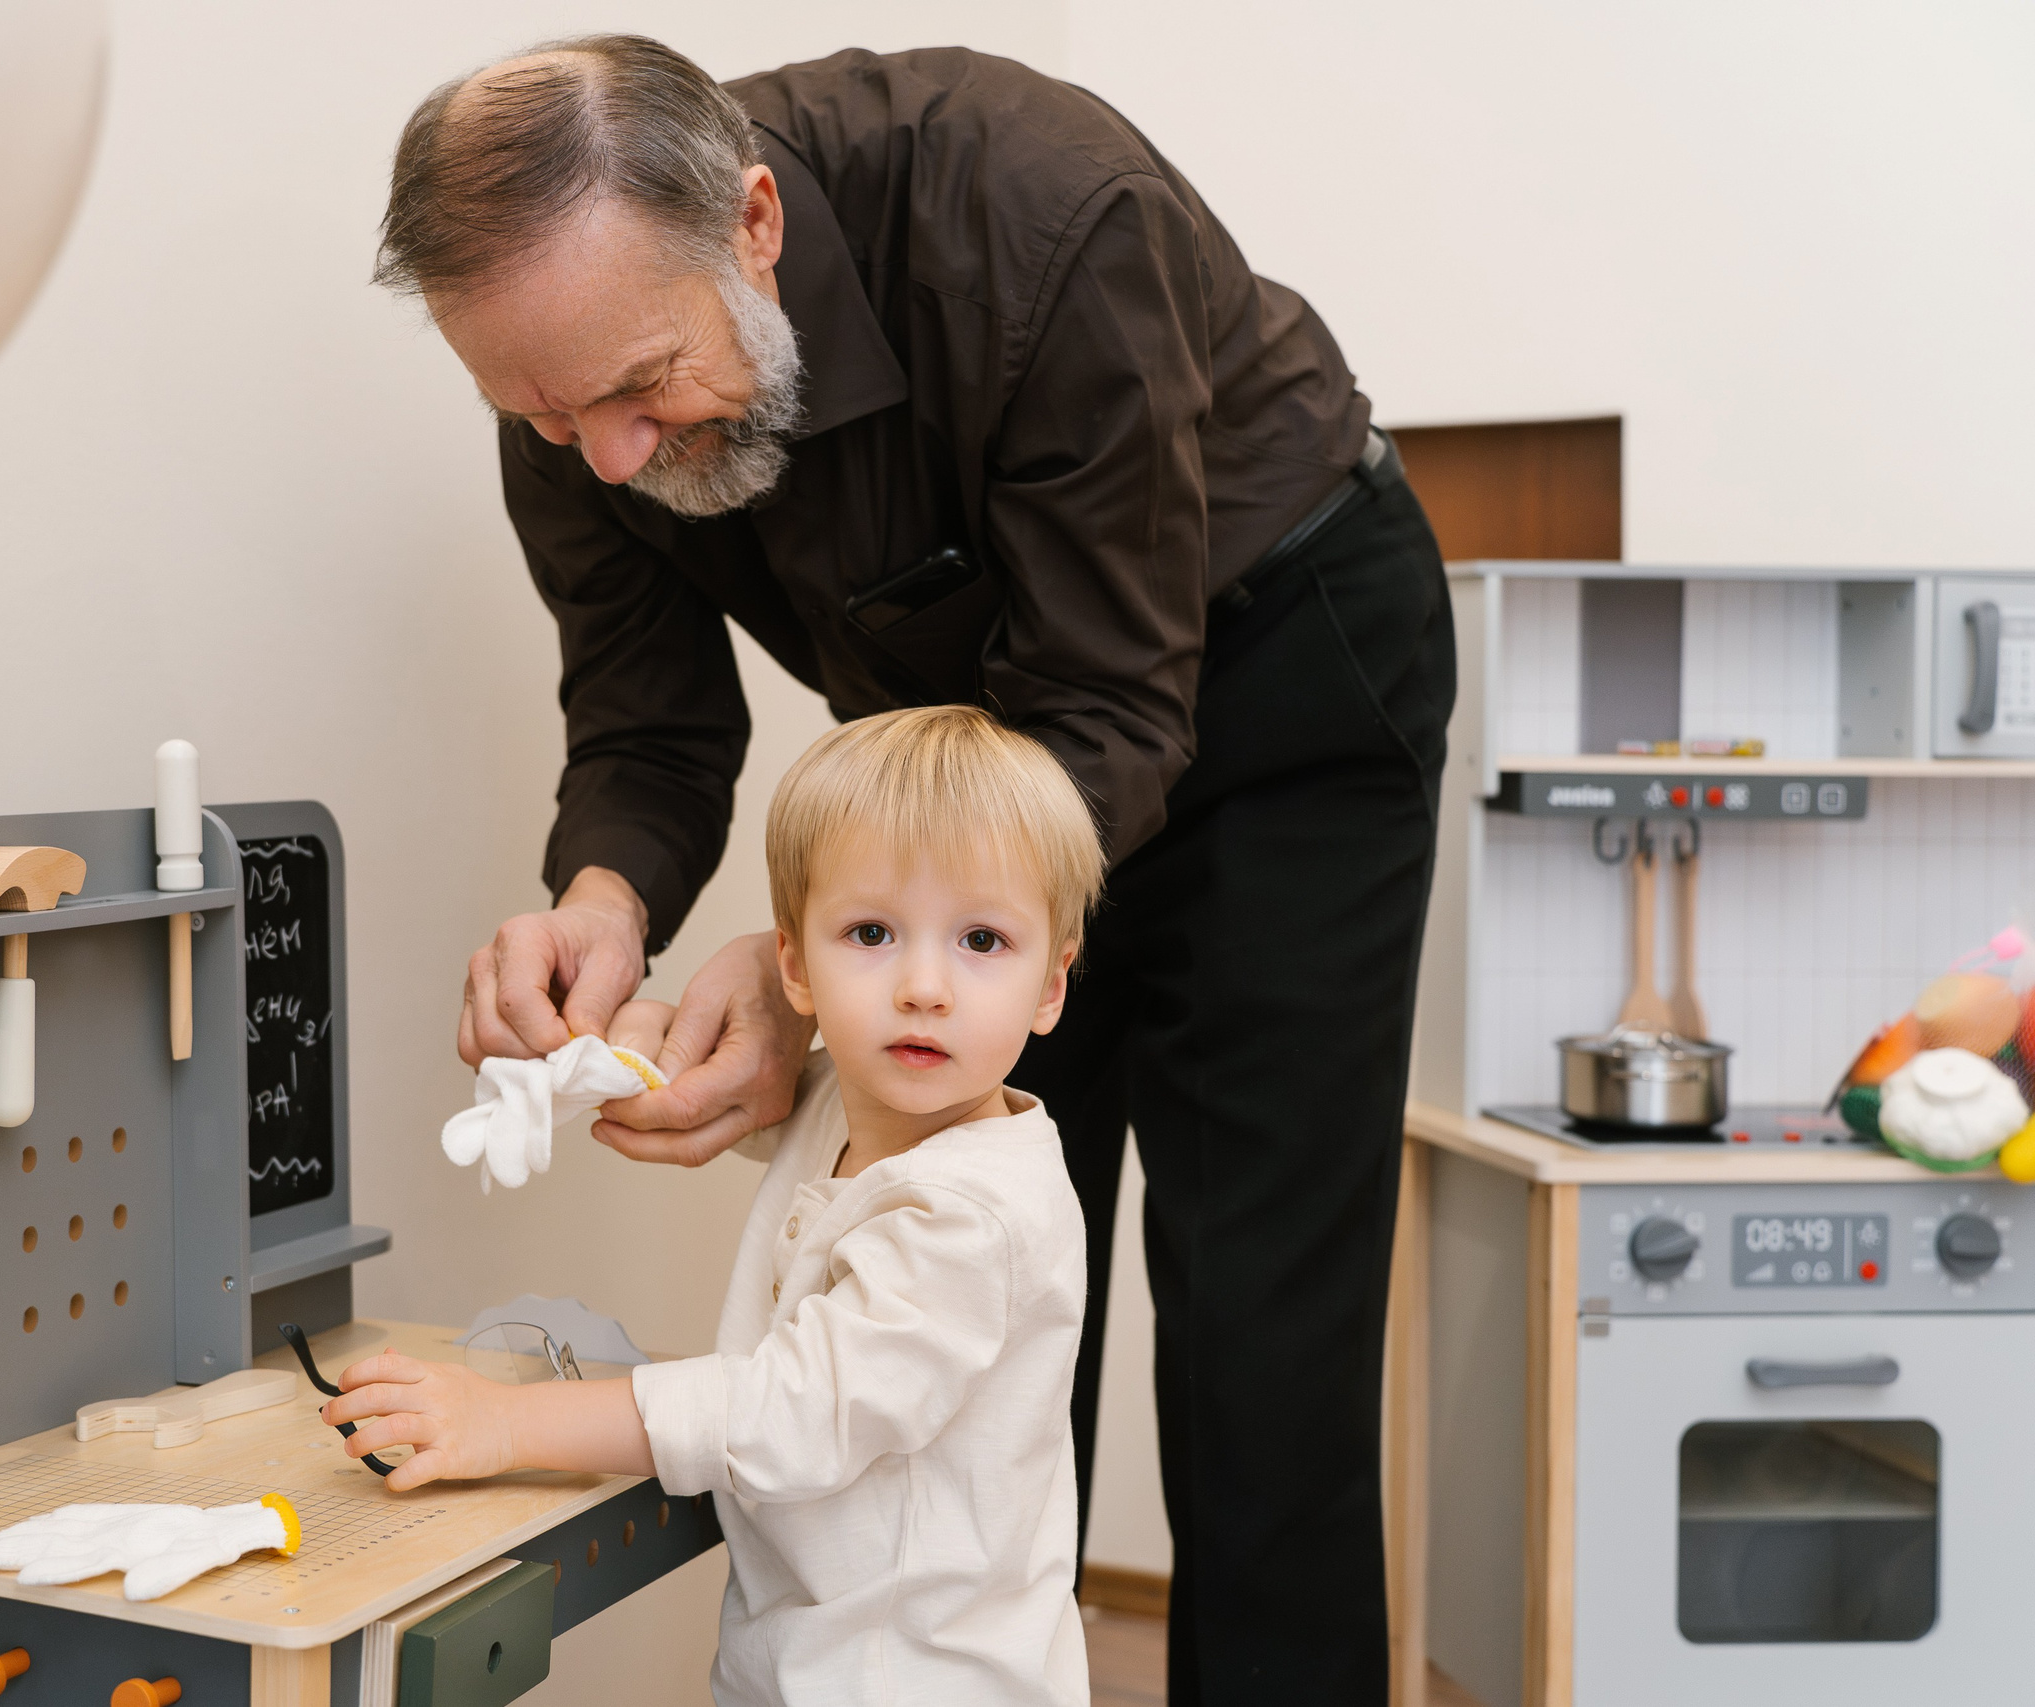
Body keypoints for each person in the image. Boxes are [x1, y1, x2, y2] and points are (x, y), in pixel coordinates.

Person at [379, 37, 1454, 1703]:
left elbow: (1107, 703)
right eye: (537, 410)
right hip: (978, 780)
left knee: (1261, 1341)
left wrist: (849, 963)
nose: (599, 452)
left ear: (751, 225)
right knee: (972, 1329)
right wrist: (603, 907)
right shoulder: (578, 380)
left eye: (639, 386)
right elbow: (649, 728)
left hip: (1270, 681)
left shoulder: (1038, 210)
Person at [324, 706, 1102, 1705]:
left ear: (1051, 987)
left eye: (982, 940)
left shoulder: (973, 1216)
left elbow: (790, 1410)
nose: (922, 986)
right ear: (792, 967)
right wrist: (595, 1061)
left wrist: (508, 1424)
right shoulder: (852, 1102)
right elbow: (737, 1090)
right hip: (807, 1657)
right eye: (870, 933)